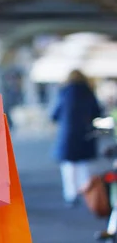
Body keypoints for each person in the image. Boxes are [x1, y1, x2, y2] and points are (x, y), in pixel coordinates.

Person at [51, 69, 102, 208]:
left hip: (67, 135)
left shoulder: (64, 93)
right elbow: (97, 112)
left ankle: (71, 194)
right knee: (84, 165)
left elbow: (54, 114)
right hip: (85, 133)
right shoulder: (88, 92)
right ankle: (86, 192)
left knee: (69, 167)